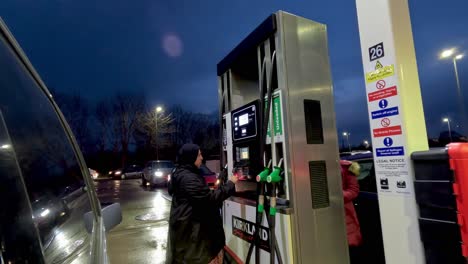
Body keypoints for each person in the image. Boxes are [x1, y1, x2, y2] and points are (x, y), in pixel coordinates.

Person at [166, 144, 238, 264]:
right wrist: (231, 184)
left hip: (190, 238)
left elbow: (201, 196)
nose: (202, 158)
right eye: (199, 154)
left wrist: (222, 177)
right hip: (196, 241)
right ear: (190, 157)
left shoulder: (181, 174)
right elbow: (210, 199)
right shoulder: (189, 178)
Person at [340, 160, 362, 263]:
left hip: (345, 213)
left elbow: (354, 190)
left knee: (349, 248)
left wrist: (337, 195)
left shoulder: (346, 167)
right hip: (322, 212)